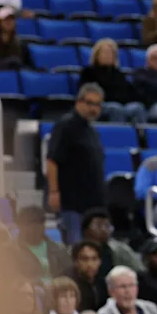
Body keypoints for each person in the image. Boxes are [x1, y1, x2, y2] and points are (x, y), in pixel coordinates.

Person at [47, 84, 108, 243]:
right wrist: (54, 192)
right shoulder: (66, 126)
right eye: (89, 103)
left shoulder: (92, 131)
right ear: (78, 102)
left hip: (92, 205)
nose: (93, 109)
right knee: (75, 247)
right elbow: (52, 160)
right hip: (71, 203)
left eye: (97, 104)